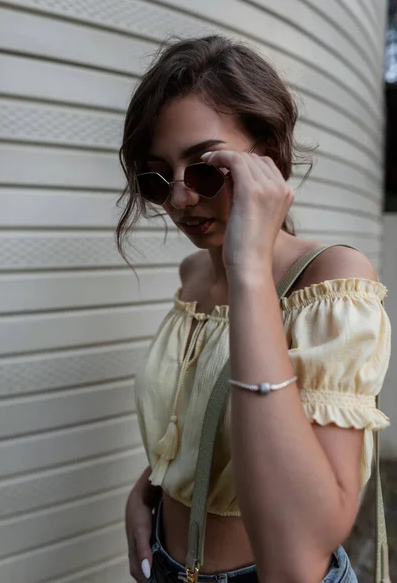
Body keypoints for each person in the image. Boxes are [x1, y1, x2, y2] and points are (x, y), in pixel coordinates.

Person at [117, 35, 391, 583]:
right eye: (157, 176)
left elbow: (295, 561)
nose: (177, 199)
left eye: (204, 168)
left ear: (266, 156)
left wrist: (248, 269)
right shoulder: (193, 276)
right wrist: (152, 488)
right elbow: (201, 421)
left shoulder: (331, 284)